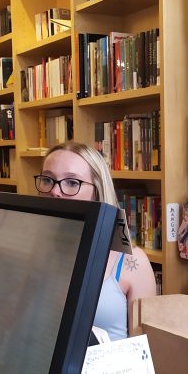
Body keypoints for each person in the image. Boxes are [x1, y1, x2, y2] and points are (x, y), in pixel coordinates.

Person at [38, 141, 157, 340]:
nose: (55, 191)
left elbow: (146, 348)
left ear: (97, 191)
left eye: (72, 182)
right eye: (47, 180)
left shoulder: (131, 260)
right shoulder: (37, 248)